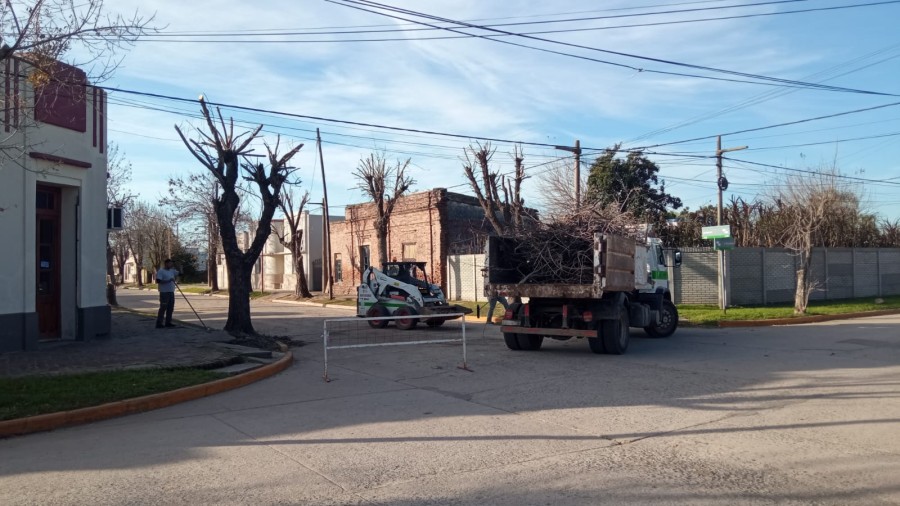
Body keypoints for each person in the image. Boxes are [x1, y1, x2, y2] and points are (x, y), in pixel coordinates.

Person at [155, 259, 179, 328]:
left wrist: (180, 266)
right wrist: (169, 280)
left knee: (170, 308)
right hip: (164, 292)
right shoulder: (161, 271)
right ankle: (159, 323)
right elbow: (158, 281)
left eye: (172, 264)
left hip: (171, 292)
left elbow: (180, 273)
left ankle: (168, 322)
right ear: (166, 264)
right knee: (163, 307)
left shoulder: (172, 271)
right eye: (170, 263)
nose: (171, 265)